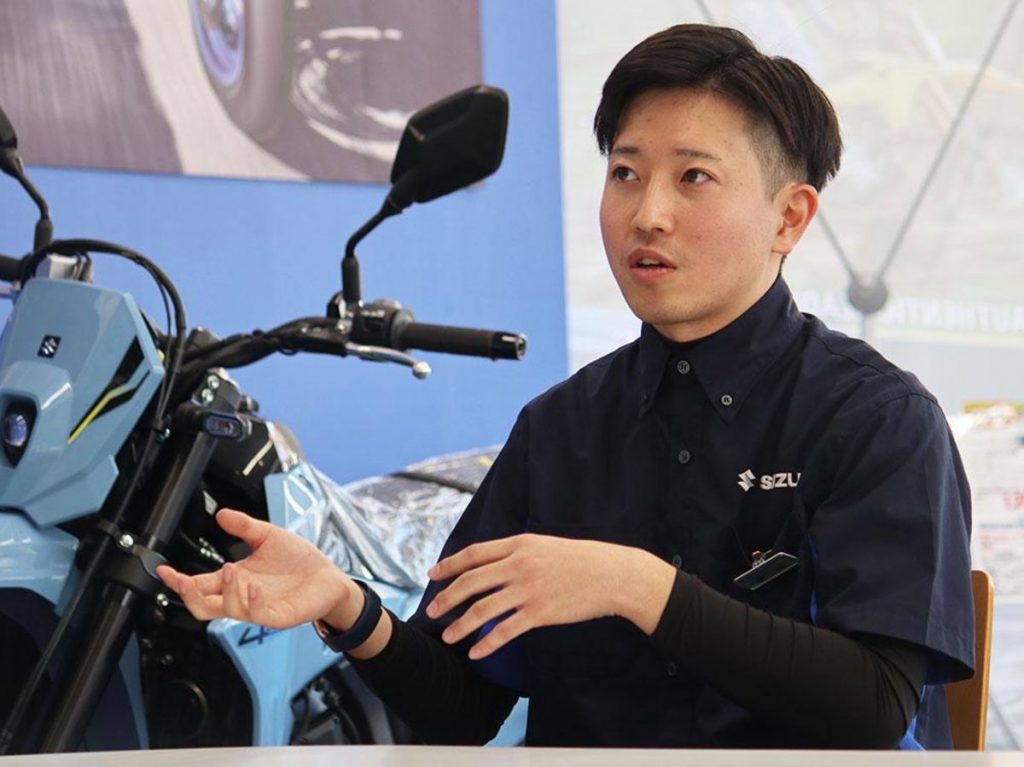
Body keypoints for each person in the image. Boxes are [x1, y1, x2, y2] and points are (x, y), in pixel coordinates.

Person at [158, 23, 974, 749]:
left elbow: (874, 704)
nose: (647, 214)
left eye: (693, 177)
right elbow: (461, 706)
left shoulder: (877, 419)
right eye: (626, 173)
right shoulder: (562, 428)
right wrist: (344, 603)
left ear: (789, 218)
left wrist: (638, 587)